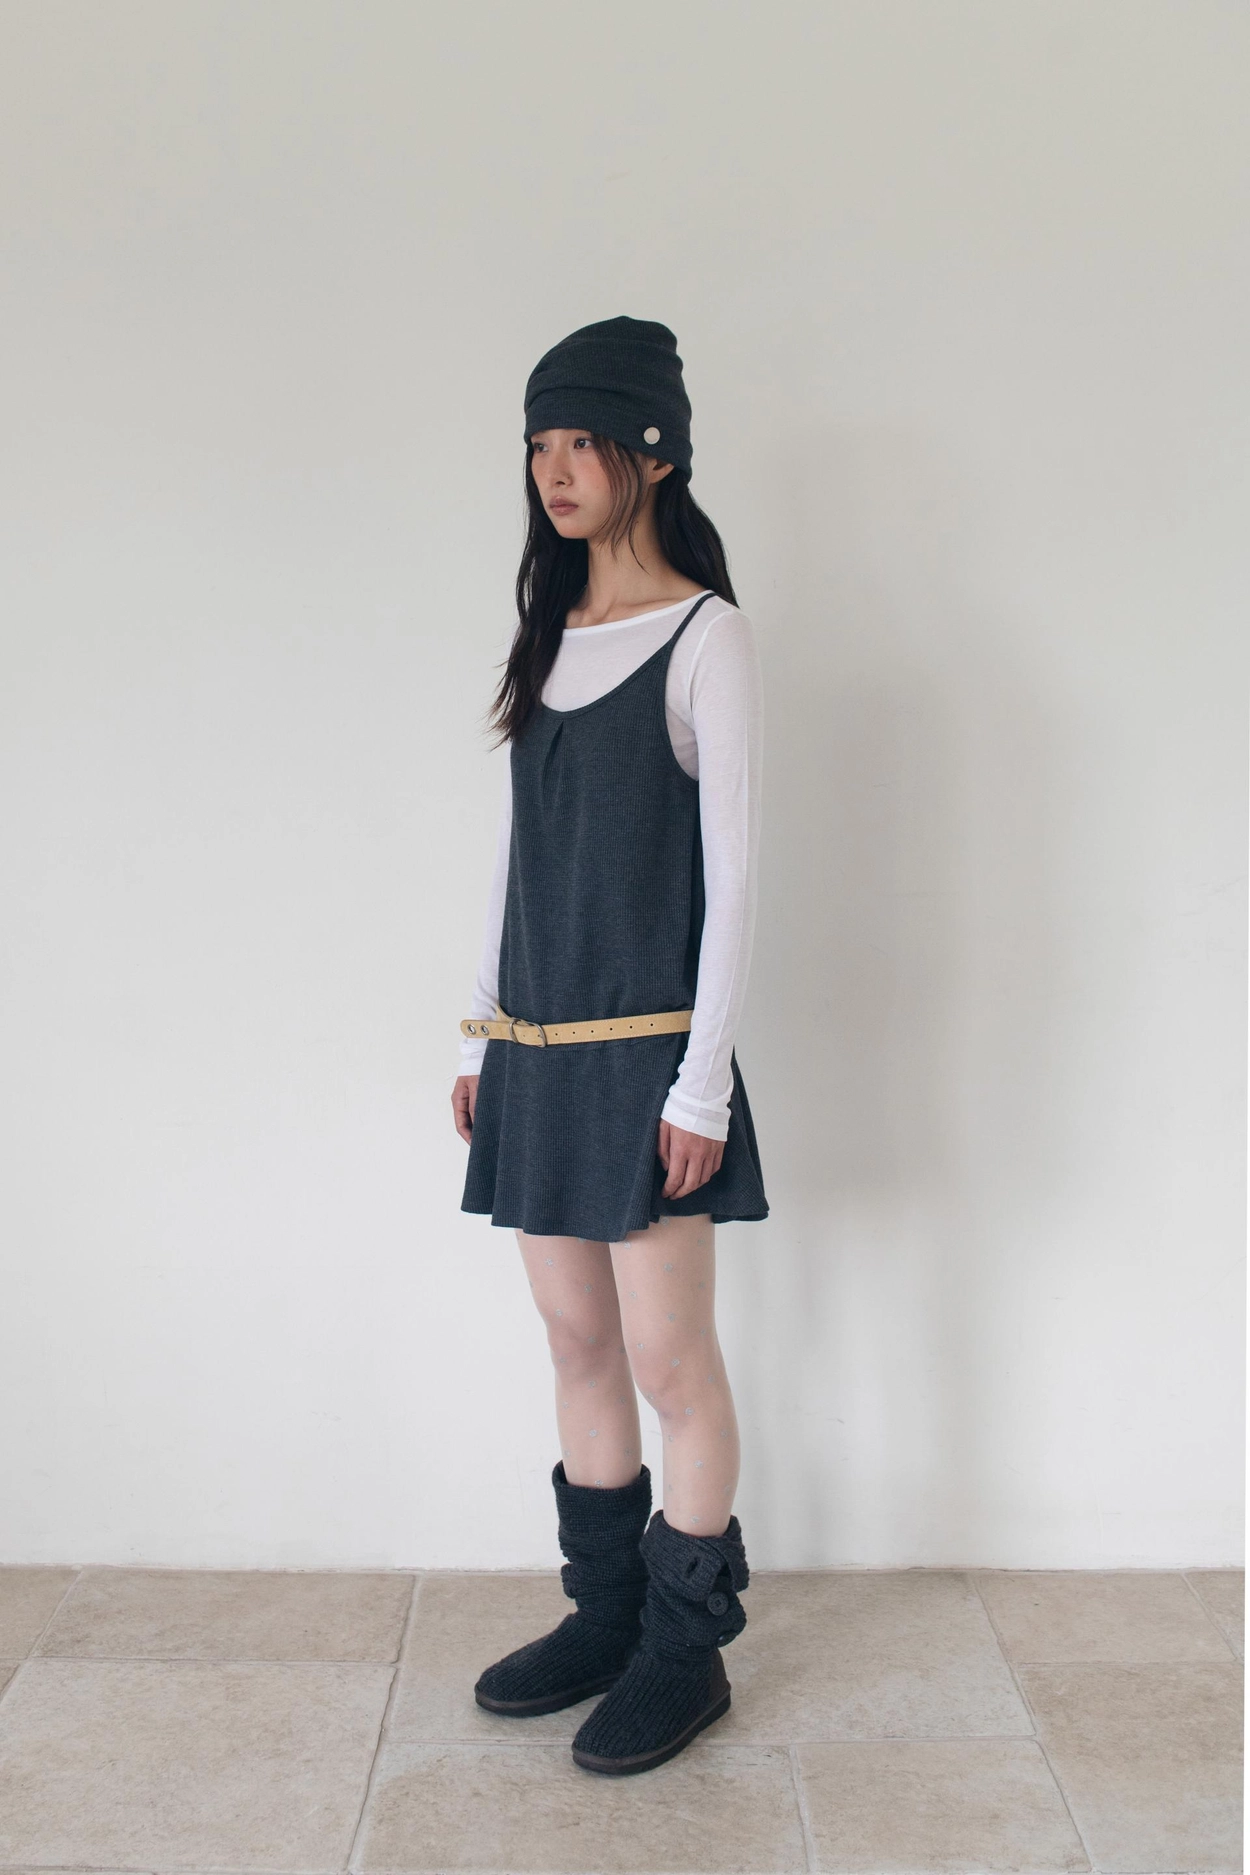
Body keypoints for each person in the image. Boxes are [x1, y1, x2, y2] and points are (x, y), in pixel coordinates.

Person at [451, 316, 768, 1776]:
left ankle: (683, 1653)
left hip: (648, 1057)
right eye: (539, 444)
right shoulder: (549, 632)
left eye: (582, 441)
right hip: (538, 1046)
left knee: (665, 1356)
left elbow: (738, 878)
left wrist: (702, 1084)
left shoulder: (707, 636)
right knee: (575, 1340)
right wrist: (483, 1031)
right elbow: (516, 852)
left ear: (655, 454)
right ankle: (606, 1614)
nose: (555, 470)